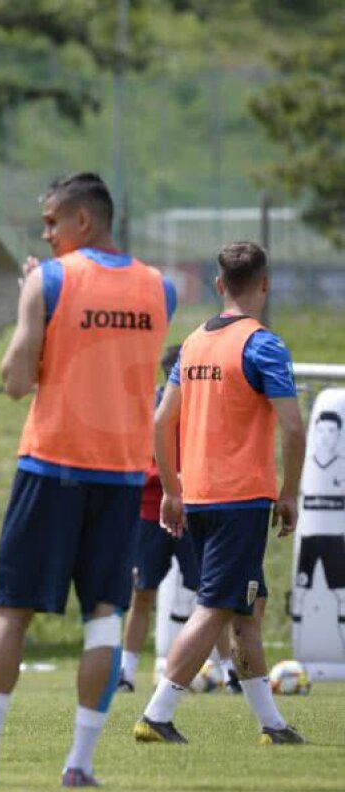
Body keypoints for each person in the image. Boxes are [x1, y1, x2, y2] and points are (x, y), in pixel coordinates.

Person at [0, 173, 174, 787]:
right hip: (124, 475)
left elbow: (15, 379)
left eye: (51, 222)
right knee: (104, 617)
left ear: (82, 220)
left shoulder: (49, 280)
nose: (46, 234)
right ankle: (79, 765)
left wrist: (34, 296)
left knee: (13, 613)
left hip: (51, 467)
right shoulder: (163, 288)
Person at [135, 241, 307, 746]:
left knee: (245, 610)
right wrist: (289, 493)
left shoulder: (191, 344)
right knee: (214, 607)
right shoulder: (263, 345)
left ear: (218, 285)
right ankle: (157, 712)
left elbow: (162, 422)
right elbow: (294, 430)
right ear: (265, 283)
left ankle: (272, 724)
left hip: (199, 496)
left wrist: (171, 488)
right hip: (241, 499)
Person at [118, 347, 242, 695]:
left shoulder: (207, 413)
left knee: (210, 598)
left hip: (194, 514)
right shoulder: (149, 411)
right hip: (149, 513)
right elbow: (135, 459)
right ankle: (126, 675)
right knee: (142, 593)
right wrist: (170, 478)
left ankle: (233, 674)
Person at [291, 409, 345, 653]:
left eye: (331, 431)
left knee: (342, 596)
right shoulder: (304, 464)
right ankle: (299, 654)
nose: (325, 436)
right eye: (321, 431)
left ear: (339, 434)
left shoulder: (342, 465)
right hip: (309, 538)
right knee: (300, 594)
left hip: (336, 540)